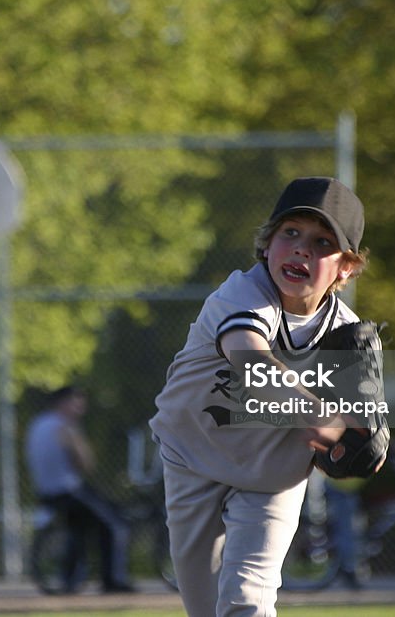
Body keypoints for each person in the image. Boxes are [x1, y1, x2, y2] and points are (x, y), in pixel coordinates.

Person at [149, 177, 375, 616]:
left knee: (246, 600)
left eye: (323, 242)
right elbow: (250, 361)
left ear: (346, 267)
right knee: (205, 607)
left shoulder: (347, 336)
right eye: (290, 232)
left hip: (273, 476)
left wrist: (365, 440)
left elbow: (367, 432)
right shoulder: (241, 294)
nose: (301, 249)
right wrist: (313, 410)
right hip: (193, 457)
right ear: (267, 243)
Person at [24, 385, 135, 594]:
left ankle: (71, 578)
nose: (81, 408)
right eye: (77, 403)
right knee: (114, 524)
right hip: (68, 490)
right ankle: (113, 580)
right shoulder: (65, 426)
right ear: (63, 403)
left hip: (46, 492)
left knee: (79, 529)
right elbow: (85, 463)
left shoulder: (37, 424)